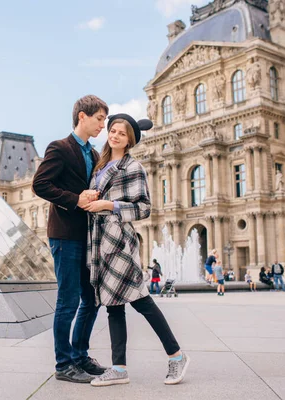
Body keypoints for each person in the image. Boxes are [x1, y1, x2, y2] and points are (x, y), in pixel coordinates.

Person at [84, 114, 189, 387]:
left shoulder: (133, 167)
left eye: (122, 133)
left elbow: (144, 208)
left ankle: (177, 356)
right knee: (113, 306)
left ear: (130, 139)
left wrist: (109, 205)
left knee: (142, 301)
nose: (115, 135)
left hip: (119, 241)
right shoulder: (100, 165)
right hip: (99, 242)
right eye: (113, 130)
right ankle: (119, 368)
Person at [32, 95, 109, 383]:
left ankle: (79, 356)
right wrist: (75, 200)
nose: (103, 124)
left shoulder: (94, 154)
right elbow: (40, 184)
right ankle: (64, 364)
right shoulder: (60, 148)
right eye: (99, 118)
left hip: (88, 236)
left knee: (91, 299)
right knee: (68, 301)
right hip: (65, 235)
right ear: (82, 117)